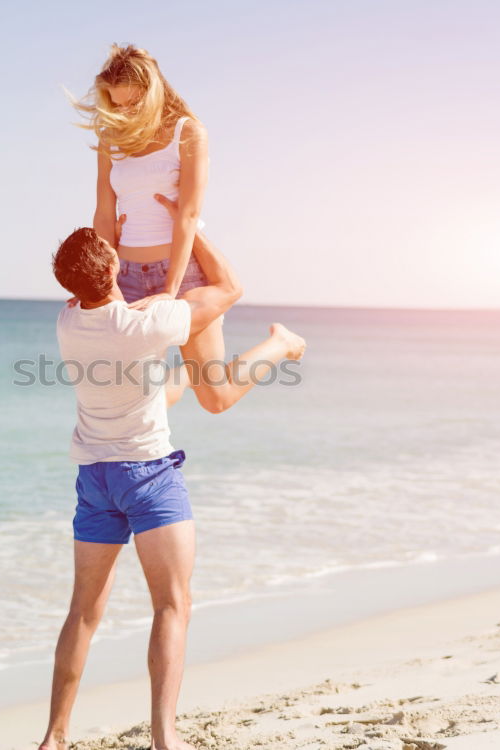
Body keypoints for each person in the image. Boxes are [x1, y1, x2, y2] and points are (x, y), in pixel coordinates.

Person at [39, 201, 305, 750]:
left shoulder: (68, 321)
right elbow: (229, 287)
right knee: (172, 605)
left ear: (70, 287)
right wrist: (192, 227)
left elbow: (106, 299)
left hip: (95, 478)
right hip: (148, 478)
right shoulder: (149, 321)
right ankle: (165, 739)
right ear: (113, 271)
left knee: (83, 613)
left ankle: (55, 737)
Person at [71, 42, 285, 413]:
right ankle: (184, 373)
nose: (124, 111)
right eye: (116, 104)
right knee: (131, 399)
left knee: (215, 399)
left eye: (132, 103)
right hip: (128, 278)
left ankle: (282, 342)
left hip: (183, 277)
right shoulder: (111, 139)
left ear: (152, 92)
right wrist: (96, 284)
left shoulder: (187, 133)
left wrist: (171, 290)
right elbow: (104, 215)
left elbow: (187, 214)